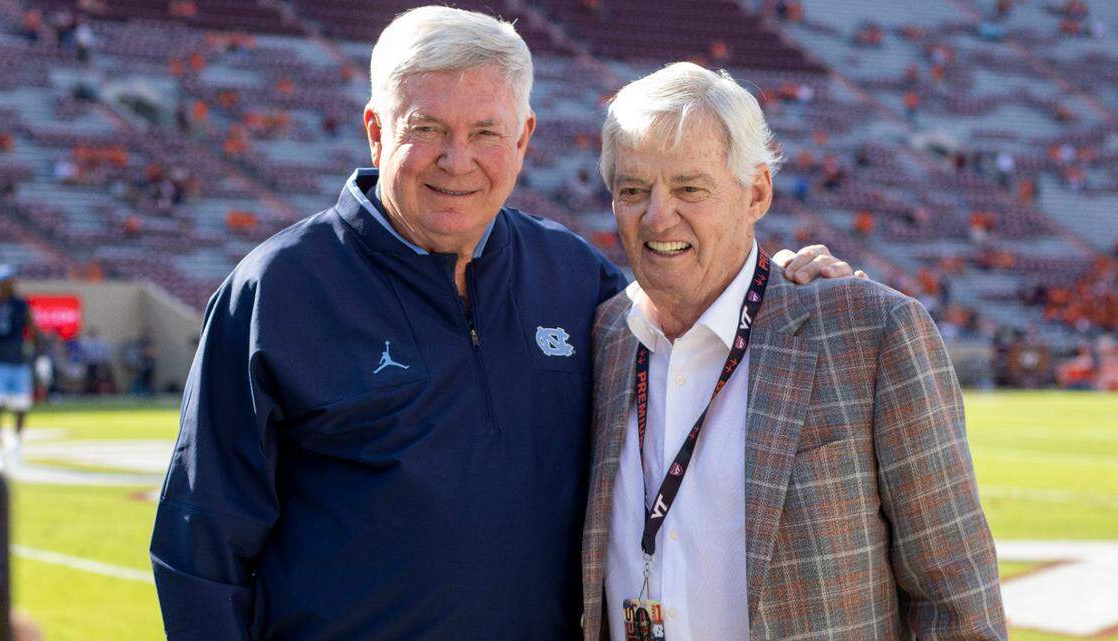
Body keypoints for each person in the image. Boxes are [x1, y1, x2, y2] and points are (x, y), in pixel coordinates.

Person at [149, 8, 856, 641]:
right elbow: (198, 548)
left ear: (523, 138)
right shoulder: (277, 292)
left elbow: (694, 310)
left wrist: (781, 279)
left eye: (485, 131)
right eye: (426, 129)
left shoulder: (573, 277)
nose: (457, 161)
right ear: (375, 130)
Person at [581, 63, 1005, 640]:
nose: (658, 215)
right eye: (633, 190)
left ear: (756, 192)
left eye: (689, 188)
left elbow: (956, 598)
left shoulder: (868, 332)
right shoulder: (603, 338)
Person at [0, 265, 39, 468]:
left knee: (21, 406)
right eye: (4, 281)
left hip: (17, 361)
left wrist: (35, 354)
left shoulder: (21, 305)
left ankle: (17, 444)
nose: (8, 285)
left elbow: (32, 329)